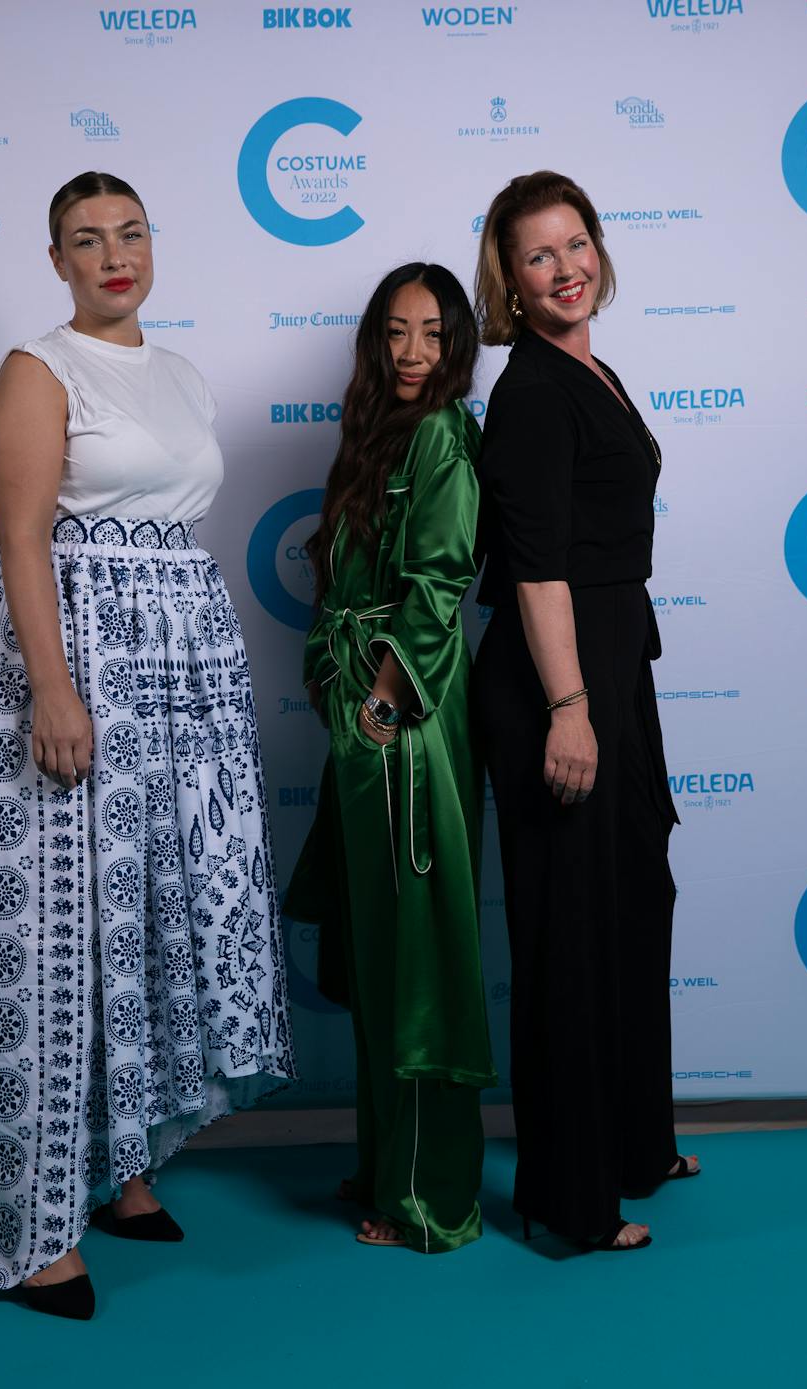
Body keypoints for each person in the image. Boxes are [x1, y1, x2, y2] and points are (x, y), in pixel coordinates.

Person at [0, 171, 296, 1317]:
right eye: (87, 240)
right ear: (56, 261)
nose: (113, 255)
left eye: (130, 233)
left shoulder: (181, 374)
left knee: (145, 919)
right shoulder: (37, 370)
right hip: (77, 666)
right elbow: (23, 538)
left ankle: (125, 1170)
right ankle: (32, 1227)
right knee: (52, 933)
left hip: (180, 679)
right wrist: (53, 688)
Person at [471, 170, 698, 1253]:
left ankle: (635, 1143)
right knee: (569, 929)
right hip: (556, 675)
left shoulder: (591, 370)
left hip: (616, 658)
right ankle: (570, 1199)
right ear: (510, 283)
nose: (565, 269)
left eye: (576, 245)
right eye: (538, 256)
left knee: (634, 897)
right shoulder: (528, 391)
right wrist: (569, 707)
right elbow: (535, 565)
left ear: (599, 248)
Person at [285, 263, 497, 1254]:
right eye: (397, 331)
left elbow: (441, 581)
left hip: (406, 716)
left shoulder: (446, 433)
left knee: (419, 953)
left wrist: (378, 699)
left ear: (456, 343)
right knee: (379, 949)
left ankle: (430, 1198)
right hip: (361, 711)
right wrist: (330, 681)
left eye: (432, 333)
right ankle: (385, 1167)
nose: (413, 352)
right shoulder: (374, 431)